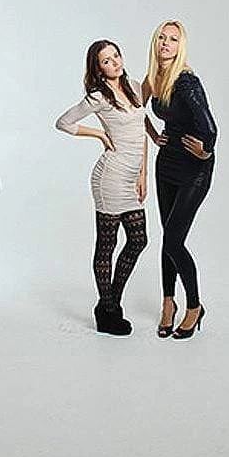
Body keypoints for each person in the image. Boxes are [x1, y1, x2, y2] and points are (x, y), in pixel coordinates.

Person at [55, 40, 148, 336]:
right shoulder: (98, 97)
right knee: (107, 244)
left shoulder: (134, 87)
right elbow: (63, 122)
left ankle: (109, 304)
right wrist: (98, 134)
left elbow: (142, 133)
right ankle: (108, 310)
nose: (115, 63)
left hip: (131, 177)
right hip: (110, 177)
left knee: (139, 240)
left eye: (116, 56)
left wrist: (143, 175)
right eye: (106, 60)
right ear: (98, 68)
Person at [143, 20, 217, 340]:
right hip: (166, 163)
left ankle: (195, 306)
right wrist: (151, 133)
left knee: (174, 240)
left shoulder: (187, 82)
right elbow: (133, 109)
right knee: (167, 237)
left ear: (180, 46)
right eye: (162, 37)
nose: (166, 43)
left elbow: (210, 128)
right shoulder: (153, 78)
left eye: (173, 39)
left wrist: (205, 151)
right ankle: (168, 303)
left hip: (194, 170)